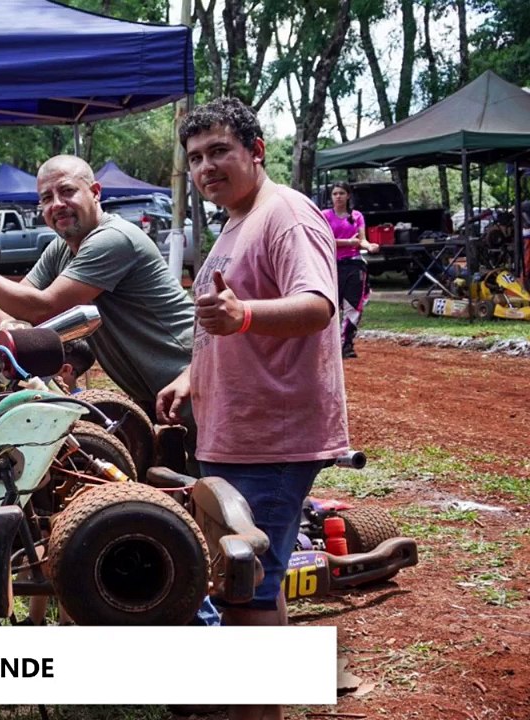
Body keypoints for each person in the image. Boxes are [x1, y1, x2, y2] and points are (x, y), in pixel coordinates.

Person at [156, 96, 349, 720]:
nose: (207, 166)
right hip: (235, 432)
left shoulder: (285, 215)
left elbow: (317, 304)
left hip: (273, 437)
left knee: (248, 584)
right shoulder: (237, 222)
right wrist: (193, 373)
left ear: (256, 151)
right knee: (250, 586)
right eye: (196, 157)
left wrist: (242, 316)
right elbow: (225, 321)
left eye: (220, 151)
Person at [0, 154, 196, 423]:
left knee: (215, 463)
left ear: (95, 192)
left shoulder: (113, 239)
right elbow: (4, 307)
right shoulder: (61, 248)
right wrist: (13, 325)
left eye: (67, 191)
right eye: (47, 198)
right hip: (156, 392)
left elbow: (43, 307)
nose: (58, 204)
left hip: (187, 374)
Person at [322, 182, 378, 359]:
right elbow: (324, 239)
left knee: (354, 305)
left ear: (348, 196)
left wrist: (370, 246)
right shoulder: (325, 216)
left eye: (341, 193)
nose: (338, 196)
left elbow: (362, 240)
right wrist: (347, 242)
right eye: (335, 193)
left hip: (353, 264)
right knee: (329, 306)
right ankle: (327, 345)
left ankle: (346, 344)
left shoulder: (356, 216)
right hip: (331, 265)